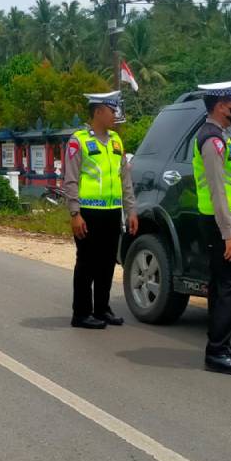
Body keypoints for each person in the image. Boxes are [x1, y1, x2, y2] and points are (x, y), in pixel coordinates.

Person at [192, 77, 231, 375]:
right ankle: (217, 352)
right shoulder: (211, 140)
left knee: (222, 285)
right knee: (230, 286)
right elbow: (218, 192)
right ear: (220, 106)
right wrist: (230, 234)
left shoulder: (220, 135)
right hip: (219, 223)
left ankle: (221, 346)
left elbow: (230, 189)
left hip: (228, 221)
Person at [63, 91, 138, 329]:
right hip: (88, 213)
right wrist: (75, 213)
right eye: (112, 110)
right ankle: (81, 313)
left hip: (112, 212)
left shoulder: (116, 140)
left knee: (107, 263)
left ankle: (102, 309)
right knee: (87, 263)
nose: (115, 115)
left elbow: (125, 179)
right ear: (98, 112)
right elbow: (70, 180)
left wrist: (131, 210)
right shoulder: (78, 140)